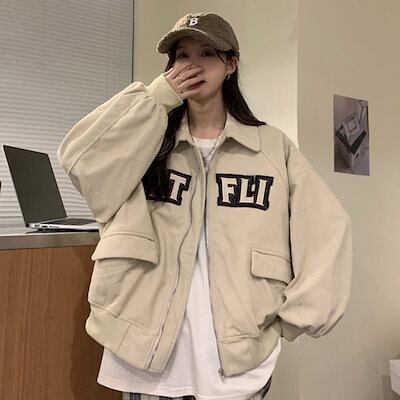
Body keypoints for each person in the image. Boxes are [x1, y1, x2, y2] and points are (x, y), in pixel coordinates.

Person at [57, 12, 353, 400]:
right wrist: (157, 98)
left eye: (207, 53)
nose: (192, 65)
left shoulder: (270, 147)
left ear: (231, 64)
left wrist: (298, 315)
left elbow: (328, 227)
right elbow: (82, 163)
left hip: (236, 359)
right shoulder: (148, 139)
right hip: (143, 349)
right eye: (182, 55)